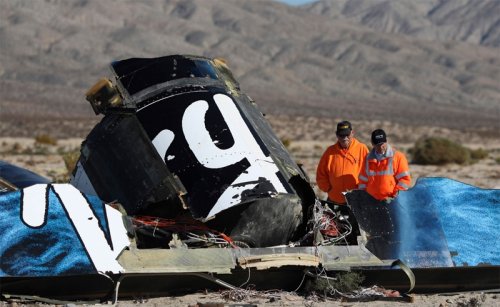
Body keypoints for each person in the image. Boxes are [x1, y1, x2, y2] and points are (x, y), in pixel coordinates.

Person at [316, 121, 369, 205]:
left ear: (352, 133)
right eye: (341, 135)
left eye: (347, 135)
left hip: (356, 201)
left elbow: (370, 173)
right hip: (334, 200)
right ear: (336, 135)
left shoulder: (362, 149)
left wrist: (362, 191)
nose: (345, 138)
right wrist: (328, 188)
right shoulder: (330, 151)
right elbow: (321, 174)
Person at [358, 129, 411, 201]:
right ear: (372, 144)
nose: (380, 147)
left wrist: (395, 196)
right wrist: (364, 197)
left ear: (386, 141)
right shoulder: (367, 159)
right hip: (371, 202)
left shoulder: (398, 157)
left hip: (392, 201)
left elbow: (405, 180)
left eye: (382, 144)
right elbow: (363, 180)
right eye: (377, 145)